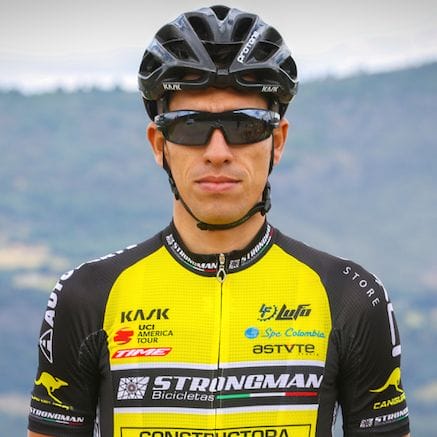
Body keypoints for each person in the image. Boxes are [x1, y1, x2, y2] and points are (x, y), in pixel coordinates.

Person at [28, 5, 410, 437]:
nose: (217, 152)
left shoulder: (351, 298)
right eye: (191, 126)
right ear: (159, 144)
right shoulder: (87, 297)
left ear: (278, 141)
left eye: (244, 127)